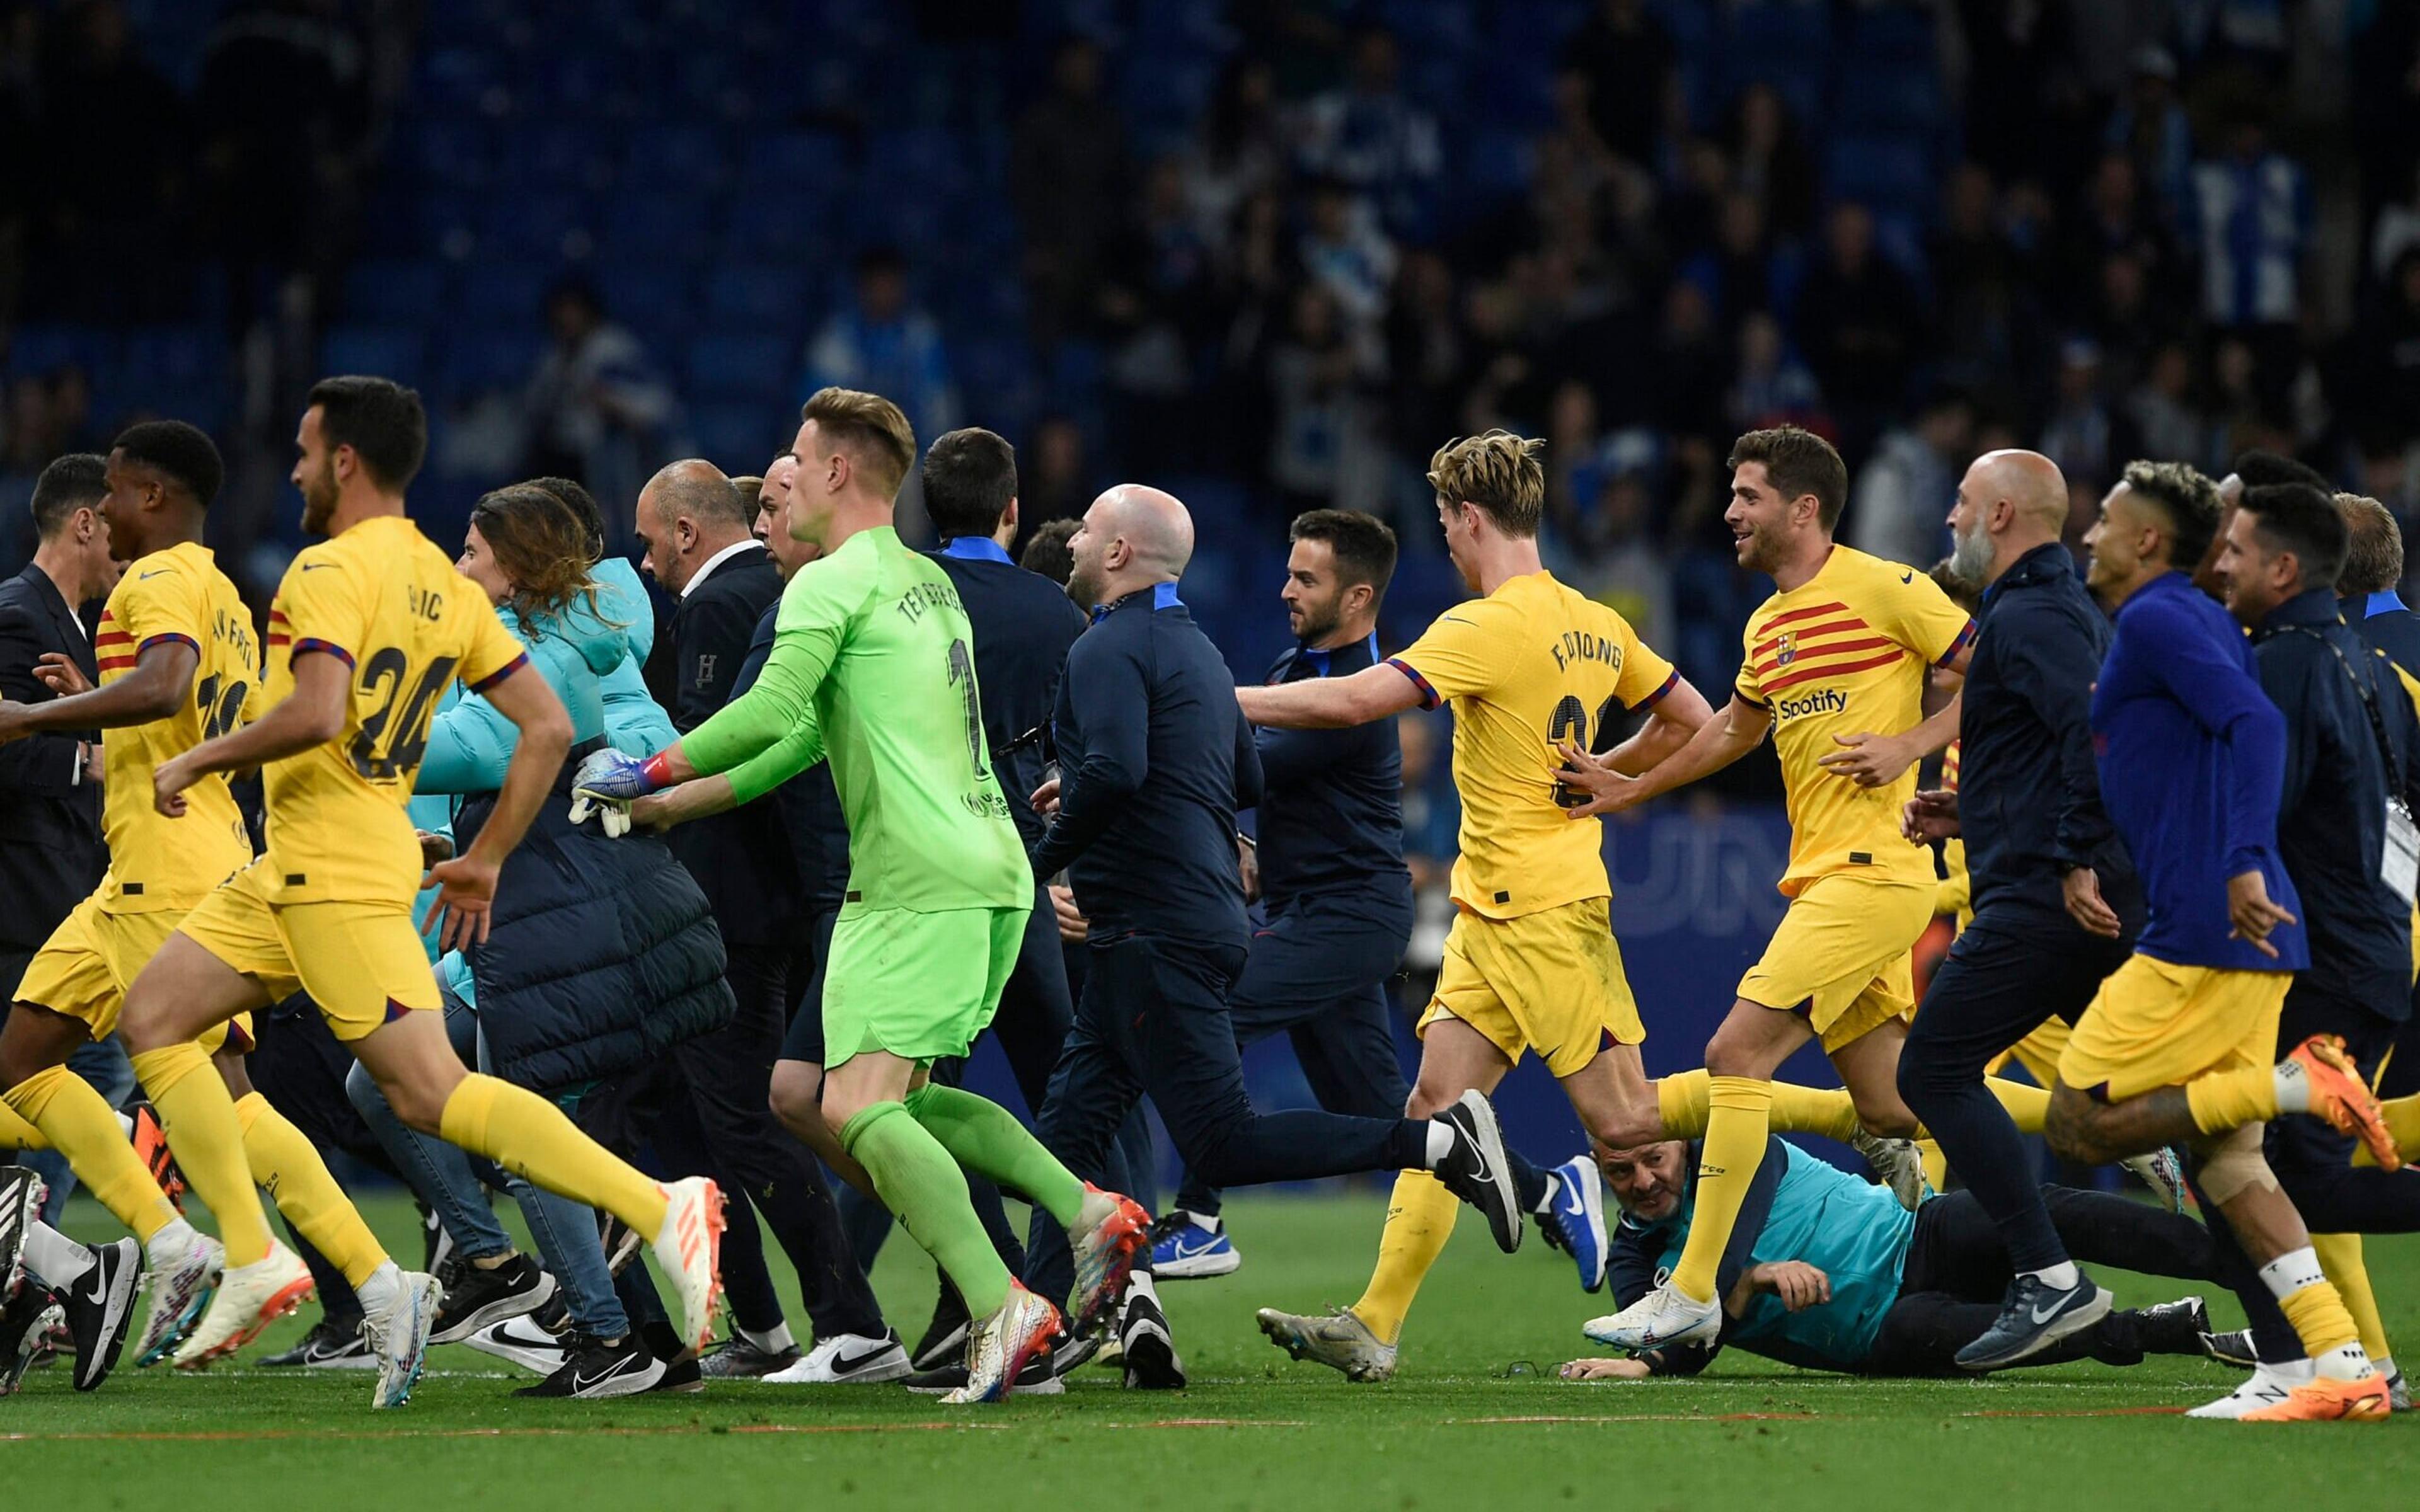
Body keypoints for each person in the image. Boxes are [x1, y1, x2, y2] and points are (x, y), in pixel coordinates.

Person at [112, 377, 725, 1413]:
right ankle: (345, 1273)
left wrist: (201, 758)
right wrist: (484, 856)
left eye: (306, 451)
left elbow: (313, 712)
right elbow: (543, 728)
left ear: (345, 459)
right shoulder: (440, 587)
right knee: (158, 1020)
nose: (297, 468)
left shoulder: (327, 570)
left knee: (427, 1095)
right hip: (317, 865)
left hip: (328, 872)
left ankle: (650, 1209)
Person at [1247, 432, 1891, 1383]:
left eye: (1446, 525)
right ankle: (1376, 1323)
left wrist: (1214, 701)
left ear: (1468, 519)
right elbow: (1690, 711)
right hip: (1487, 914)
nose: (1451, 544)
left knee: (1630, 1127)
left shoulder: (1485, 625)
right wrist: (1607, 778)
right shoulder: (1595, 623)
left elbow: (1351, 703)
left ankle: (1854, 1119)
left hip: (1547, 914)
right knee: (1436, 1108)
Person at [571, 387, 1151, 1405]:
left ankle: (998, 1302)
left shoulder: (829, 587)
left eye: (799, 457)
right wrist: (676, 805)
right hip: (989, 869)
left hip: (914, 881)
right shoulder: (922, 584)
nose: (779, 482)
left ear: (839, 472)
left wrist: (648, 771)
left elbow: (768, 709)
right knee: (851, 1098)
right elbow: (800, 744)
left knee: (861, 1108)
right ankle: (1085, 1211)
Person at [1567, 426, 2013, 1356]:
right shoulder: (1768, 625)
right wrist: (1629, 785)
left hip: (1874, 875)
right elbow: (1734, 729)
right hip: (1825, 879)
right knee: (1895, 1107)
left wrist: (1909, 746)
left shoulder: (1889, 587)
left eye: (1748, 495)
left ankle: (1690, 1290)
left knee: (1737, 1053)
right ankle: (2110, 1125)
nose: (1729, 511)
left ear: (1803, 509)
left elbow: (2002, 672)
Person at [0, 423, 403, 1389]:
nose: (106, 511)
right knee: (25, 1062)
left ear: (147, 495)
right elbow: (198, 704)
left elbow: (169, 684)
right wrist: (98, 696)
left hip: (163, 869)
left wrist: (39, 715)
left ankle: (269, 1257)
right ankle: (321, 1273)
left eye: (117, 491)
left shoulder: (155, 580)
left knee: (194, 1086)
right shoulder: (225, 590)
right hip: (166, 862)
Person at [355, 482, 739, 1399]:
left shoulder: (537, 653)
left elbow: (466, 750)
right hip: (543, 917)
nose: (459, 569)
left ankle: (612, 1334)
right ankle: (501, 1272)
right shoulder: (560, 637)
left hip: (559, 926)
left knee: (525, 1126)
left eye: (474, 556)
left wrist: (334, 715)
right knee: (382, 1080)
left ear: (518, 569)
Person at [2037, 461, 2393, 1422]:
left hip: (2205, 926)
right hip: (2242, 928)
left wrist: (2239, 856)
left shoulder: (2159, 618)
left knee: (2078, 1120)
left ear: (2147, 539)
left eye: (2105, 518)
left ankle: (2300, 1085)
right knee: (2230, 1161)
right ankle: (2335, 1361)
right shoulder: (2185, 622)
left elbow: (2254, 723)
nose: (2088, 531)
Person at [627, 457, 888, 1383]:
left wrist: (633, 777)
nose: (646, 564)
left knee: (751, 1118)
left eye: (652, 543)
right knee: (695, 1121)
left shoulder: (728, 603)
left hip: (732, 913)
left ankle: (852, 1321)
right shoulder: (760, 594)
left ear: (687, 534)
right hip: (751, 905)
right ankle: (769, 1323)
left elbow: (734, 738)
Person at [1891, 450, 2149, 1368]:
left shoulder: (2035, 611)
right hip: (2063, 876)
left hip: (2049, 894)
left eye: (1960, 503)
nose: (1948, 519)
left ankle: (2049, 1279)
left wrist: (2074, 853)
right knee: (2169, 1106)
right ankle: (2286, 1296)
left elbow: (2094, 731)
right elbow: (2054, 745)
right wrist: (1973, 806)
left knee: (1934, 1070)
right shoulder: (2043, 609)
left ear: (2000, 515)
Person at [1153, 508, 1418, 1280]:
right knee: (1387, 1120)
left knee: (1207, 1012)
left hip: (1349, 918)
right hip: (1311, 909)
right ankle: (1545, 1192)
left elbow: (1230, 775)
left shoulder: (1353, 698)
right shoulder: (1289, 672)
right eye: (1289, 572)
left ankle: (1199, 1217)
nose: (1285, 591)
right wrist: (1258, 853)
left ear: (1359, 596)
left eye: (1307, 579)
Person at [2199, 482, 2420, 1406]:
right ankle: (2347, 1361)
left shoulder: (2305, 662)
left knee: (2273, 1164)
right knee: (2299, 1159)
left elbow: (2269, 806)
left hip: (2335, 935)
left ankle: (2339, 1363)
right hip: (2382, 925)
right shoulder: (2377, 667)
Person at [1562, 1138, 2216, 1381]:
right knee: (1946, 1332)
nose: (1644, 1181)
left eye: (1655, 1160)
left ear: (1685, 1144)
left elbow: (1693, 1317)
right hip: (1883, 1329)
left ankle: (2236, 1260)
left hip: (1918, 1235)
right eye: (1622, 1172)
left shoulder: (1738, 1151)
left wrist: (1727, 1286)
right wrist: (1752, 1282)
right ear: (1601, 1171)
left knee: (2037, 1209)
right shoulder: (1635, 1256)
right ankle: (2159, 1329)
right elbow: (1683, 1350)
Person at [0, 454, 120, 1220]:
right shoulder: (17, 613)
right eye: (117, 531)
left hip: (66, 898)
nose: (128, 550)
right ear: (84, 523)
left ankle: (29, 1269)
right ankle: (29, 1266)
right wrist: (93, 760)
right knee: (69, 1083)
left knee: (89, 1078)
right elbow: (7, 747)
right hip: (27, 901)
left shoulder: (76, 628)